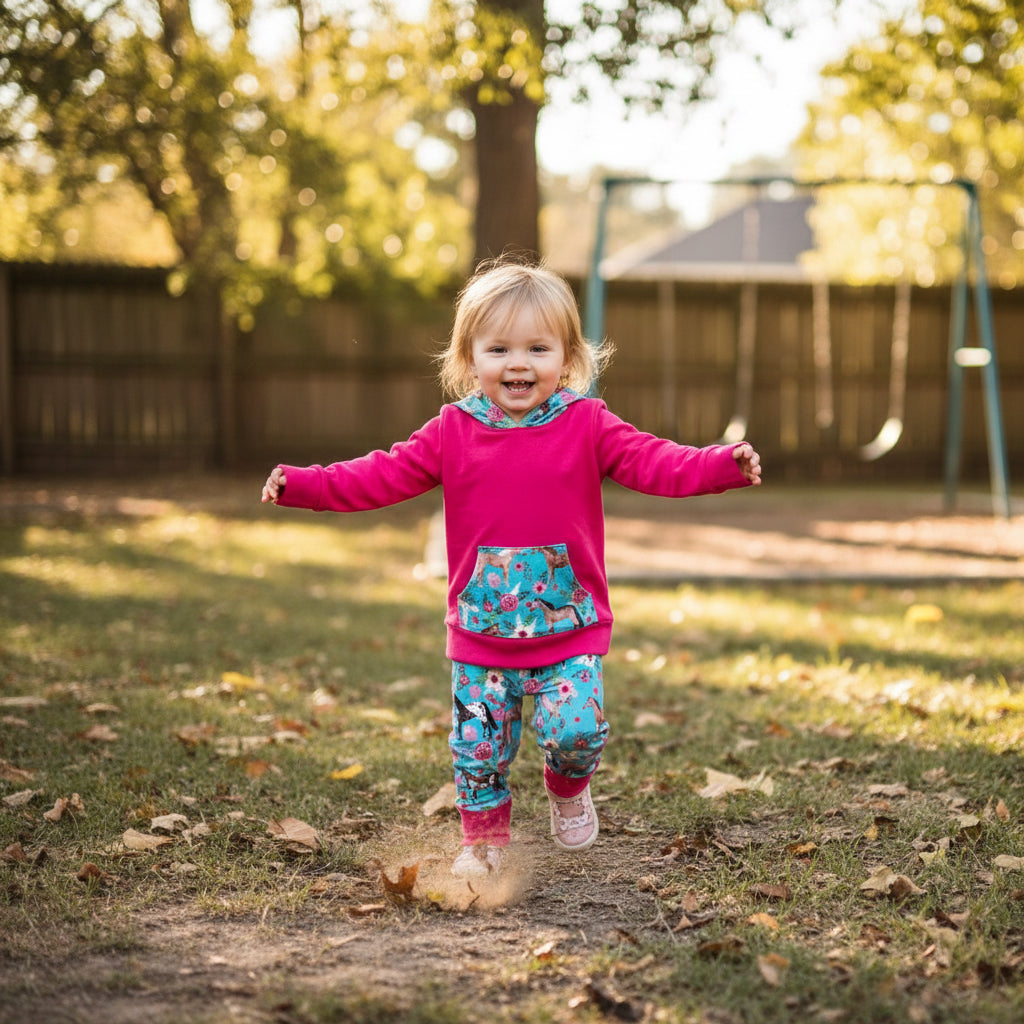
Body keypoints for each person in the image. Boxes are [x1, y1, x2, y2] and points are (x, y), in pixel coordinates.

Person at [262, 258, 761, 879]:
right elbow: (379, 474)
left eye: (537, 348)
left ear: (568, 357)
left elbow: (654, 461)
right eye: (498, 348)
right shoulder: (453, 430)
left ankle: (568, 788)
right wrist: (304, 485)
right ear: (469, 358)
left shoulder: (587, 423)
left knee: (576, 730)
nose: (518, 363)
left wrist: (721, 465)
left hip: (568, 625)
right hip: (482, 629)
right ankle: (484, 843)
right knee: (480, 746)